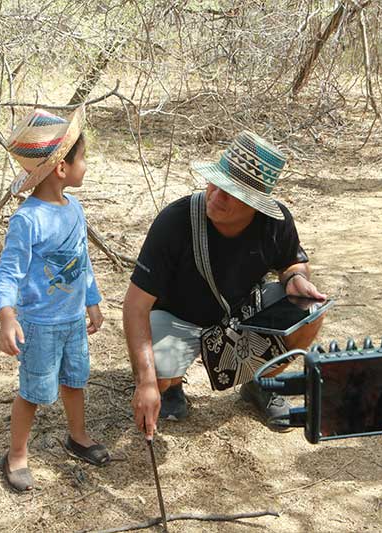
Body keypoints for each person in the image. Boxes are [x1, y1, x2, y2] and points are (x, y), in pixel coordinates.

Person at [123, 130, 326, 440]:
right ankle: (170, 384)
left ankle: (260, 383)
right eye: (215, 184)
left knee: (309, 313)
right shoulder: (175, 221)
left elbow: (292, 262)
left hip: (238, 316)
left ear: (256, 205)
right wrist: (147, 381)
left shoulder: (276, 222)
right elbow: (135, 306)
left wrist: (296, 279)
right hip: (177, 319)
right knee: (158, 374)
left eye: (231, 193)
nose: (216, 197)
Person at [0, 106, 108, 492]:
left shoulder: (74, 209)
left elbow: (81, 260)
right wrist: (7, 315)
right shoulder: (28, 219)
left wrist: (92, 300)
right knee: (34, 392)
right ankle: (16, 454)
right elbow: (8, 271)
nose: (86, 165)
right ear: (62, 168)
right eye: (83, 158)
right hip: (40, 325)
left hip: (72, 321)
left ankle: (78, 436)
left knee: (75, 380)